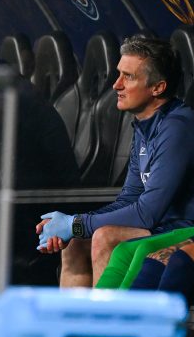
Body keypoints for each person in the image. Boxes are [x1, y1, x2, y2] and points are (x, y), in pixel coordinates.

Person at [37, 36, 194, 287]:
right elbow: (129, 198)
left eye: (128, 77)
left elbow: (147, 213)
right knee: (76, 242)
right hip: (160, 227)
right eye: (118, 74)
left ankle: (104, 324)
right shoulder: (144, 126)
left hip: (185, 230)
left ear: (158, 87)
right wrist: (73, 225)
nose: (115, 85)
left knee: (104, 236)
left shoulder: (177, 127)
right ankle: (73, 323)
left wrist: (76, 224)